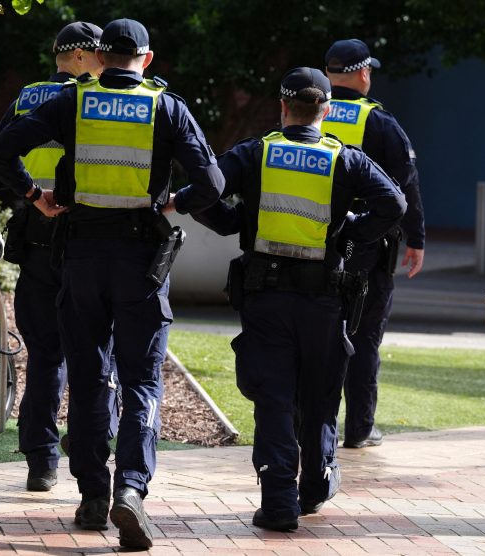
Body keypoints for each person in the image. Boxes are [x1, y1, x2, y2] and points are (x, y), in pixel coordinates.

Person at [0, 18, 224, 549]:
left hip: (81, 253)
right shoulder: (167, 107)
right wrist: (173, 202)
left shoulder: (74, 100)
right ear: (147, 58)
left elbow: (1, 151)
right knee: (140, 379)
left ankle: (93, 496)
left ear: (102, 55)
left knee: (89, 374)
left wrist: (35, 197)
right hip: (141, 258)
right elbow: (211, 184)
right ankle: (131, 490)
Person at [185, 67, 406, 532]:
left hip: (265, 299)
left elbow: (205, 188)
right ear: (326, 111)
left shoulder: (255, 152)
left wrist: (226, 217)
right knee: (320, 397)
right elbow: (395, 205)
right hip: (324, 301)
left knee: (274, 398)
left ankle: (281, 499)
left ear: (282, 107)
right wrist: (349, 236)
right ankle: (315, 487)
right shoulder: (344, 159)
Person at [0, 21, 121, 493]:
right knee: (97, 352)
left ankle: (41, 461)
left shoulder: (27, 96)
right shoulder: (96, 100)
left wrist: (31, 193)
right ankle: (93, 445)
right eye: (101, 52)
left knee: (45, 354)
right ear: (84, 56)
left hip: (37, 241)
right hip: (87, 240)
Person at [321, 39, 425, 449]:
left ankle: (305, 423)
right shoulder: (381, 123)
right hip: (367, 243)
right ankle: (360, 427)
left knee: (316, 331)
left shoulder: (310, 108)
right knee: (363, 337)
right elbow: (407, 188)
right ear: (364, 73)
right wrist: (415, 239)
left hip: (313, 238)